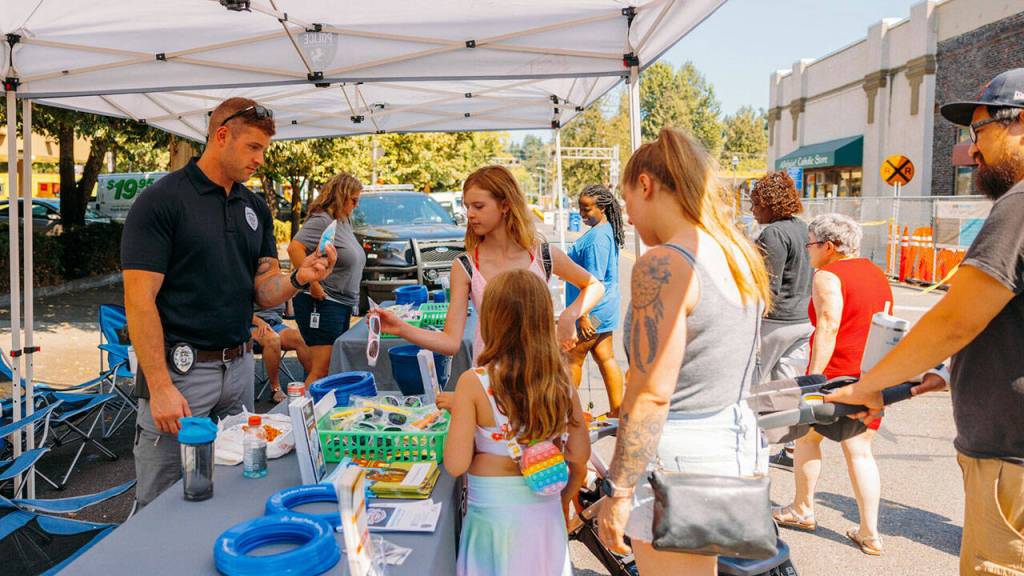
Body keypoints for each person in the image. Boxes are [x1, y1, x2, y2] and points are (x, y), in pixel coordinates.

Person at [827, 68, 1024, 575]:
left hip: (1012, 461)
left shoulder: (1018, 206)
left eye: (979, 132)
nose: (971, 149)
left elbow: (956, 319)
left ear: (1019, 122)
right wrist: (951, 373)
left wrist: (870, 387)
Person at [122, 97, 336, 506]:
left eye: (263, 150)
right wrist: (160, 385)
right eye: (253, 147)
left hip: (239, 370)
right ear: (222, 136)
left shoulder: (254, 206)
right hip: (180, 375)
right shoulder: (161, 200)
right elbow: (139, 301)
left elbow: (264, 290)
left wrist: (299, 277)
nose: (260, 160)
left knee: (235, 493)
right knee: (163, 503)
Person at [596, 128, 772, 575]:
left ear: (646, 185)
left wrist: (617, 491)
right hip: (727, 441)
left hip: (676, 454)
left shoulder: (665, 263)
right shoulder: (734, 251)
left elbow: (651, 392)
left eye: (626, 199)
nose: (629, 218)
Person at [374, 165, 604, 363]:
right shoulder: (464, 265)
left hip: (541, 380)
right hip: (489, 385)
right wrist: (400, 328)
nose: (470, 215)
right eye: (467, 207)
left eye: (479, 206)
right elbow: (451, 342)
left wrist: (569, 316)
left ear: (505, 205)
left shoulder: (543, 254)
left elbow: (594, 286)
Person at [443, 269, 589, 576]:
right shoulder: (561, 379)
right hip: (544, 510)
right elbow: (579, 455)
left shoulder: (474, 382)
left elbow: (455, 464)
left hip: (492, 514)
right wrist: (563, 498)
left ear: (492, 321)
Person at [772, 213, 893, 555]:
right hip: (870, 373)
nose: (808, 250)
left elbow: (828, 323)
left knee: (807, 438)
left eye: (810, 243)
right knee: (860, 451)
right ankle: (870, 532)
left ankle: (802, 507)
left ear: (828, 246)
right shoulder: (875, 272)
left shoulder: (828, 275)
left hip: (836, 373)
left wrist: (814, 378)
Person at [287, 173, 365, 384]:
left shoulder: (342, 221)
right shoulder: (321, 219)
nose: (356, 206)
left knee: (327, 369)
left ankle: (314, 410)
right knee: (321, 370)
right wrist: (313, 283)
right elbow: (294, 248)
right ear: (341, 196)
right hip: (323, 302)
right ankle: (304, 414)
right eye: (354, 200)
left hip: (339, 304)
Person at [565, 184, 625, 417]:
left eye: (586, 209)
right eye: (580, 209)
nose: (581, 214)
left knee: (572, 359)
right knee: (605, 357)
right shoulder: (606, 231)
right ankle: (616, 412)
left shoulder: (595, 240)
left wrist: (583, 316)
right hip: (606, 307)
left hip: (594, 311)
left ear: (602, 207)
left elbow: (593, 281)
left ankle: (570, 417)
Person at [750, 171, 813, 383]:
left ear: (770, 204)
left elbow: (767, 284)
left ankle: (747, 417)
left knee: (748, 382)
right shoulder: (803, 228)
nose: (752, 210)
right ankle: (786, 417)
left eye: (756, 204)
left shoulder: (773, 233)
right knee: (786, 389)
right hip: (803, 320)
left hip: (776, 323)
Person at [250, 302, 312, 402]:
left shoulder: (281, 286)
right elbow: (239, 311)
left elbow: (290, 314)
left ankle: (313, 382)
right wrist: (260, 322)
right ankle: (275, 389)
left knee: (301, 337)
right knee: (273, 339)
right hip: (251, 325)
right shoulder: (251, 285)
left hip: (275, 326)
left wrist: (291, 294)